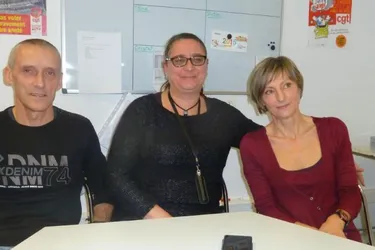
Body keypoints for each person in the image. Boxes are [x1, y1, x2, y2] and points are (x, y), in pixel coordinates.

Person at [106, 33, 365, 221]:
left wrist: (334, 162)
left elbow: (271, 142)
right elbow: (116, 174)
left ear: (206, 66)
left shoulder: (223, 115)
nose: (189, 67)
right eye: (179, 60)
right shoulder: (142, 111)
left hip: (204, 223)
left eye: (197, 59)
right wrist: (160, 217)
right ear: (166, 67)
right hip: (143, 222)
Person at [0, 39, 113, 249]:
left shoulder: (79, 128)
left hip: (63, 242)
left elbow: (102, 187)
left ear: (59, 81)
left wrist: (99, 228)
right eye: (28, 71)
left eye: (49, 73)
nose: (40, 83)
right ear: (9, 75)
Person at [239, 56, 362, 242]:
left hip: (340, 235)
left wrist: (337, 221)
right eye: (270, 91)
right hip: (289, 239)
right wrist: (311, 235)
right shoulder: (252, 145)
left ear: (299, 87)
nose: (281, 97)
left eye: (287, 85)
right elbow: (266, 207)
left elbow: (350, 191)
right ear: (261, 100)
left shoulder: (334, 129)